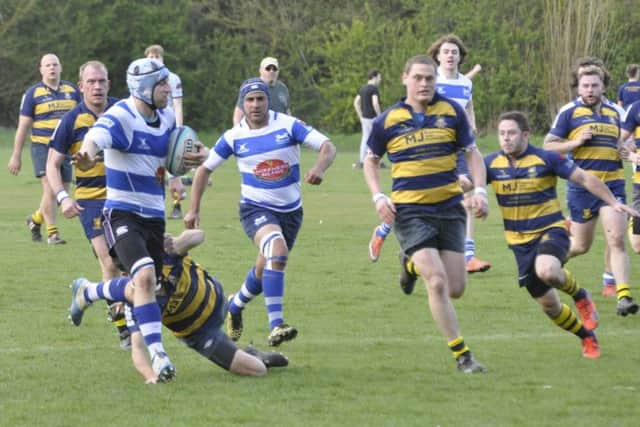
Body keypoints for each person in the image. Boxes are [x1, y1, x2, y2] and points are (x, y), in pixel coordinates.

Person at [74, 57, 208, 383]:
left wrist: (201, 156)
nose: (168, 89)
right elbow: (96, 137)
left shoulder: (166, 119)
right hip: (121, 213)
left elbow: (187, 152)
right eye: (162, 84)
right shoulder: (121, 116)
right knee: (146, 276)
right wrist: (87, 153)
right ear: (145, 88)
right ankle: (160, 356)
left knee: (139, 287)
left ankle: (88, 292)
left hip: (153, 218)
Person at [186, 78, 336, 347]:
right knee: (277, 253)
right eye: (249, 100)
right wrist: (193, 209)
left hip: (291, 212)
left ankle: (235, 305)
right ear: (242, 104)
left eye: (260, 99)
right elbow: (204, 169)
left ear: (269, 100)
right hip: (254, 209)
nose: (255, 105)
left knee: (264, 267)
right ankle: (276, 324)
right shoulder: (234, 136)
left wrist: (320, 168)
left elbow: (328, 146)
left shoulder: (289, 125)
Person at [363, 54, 487, 373]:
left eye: (429, 78)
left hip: (449, 208)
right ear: (405, 78)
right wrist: (378, 196)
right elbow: (371, 160)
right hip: (410, 211)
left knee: (456, 287)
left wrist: (480, 191)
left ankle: (409, 264)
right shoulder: (387, 120)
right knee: (437, 281)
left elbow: (473, 155)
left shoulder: (451, 112)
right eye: (418, 77)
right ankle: (462, 355)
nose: (424, 84)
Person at [487, 112, 640, 358]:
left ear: (526, 134)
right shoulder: (491, 164)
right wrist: (470, 194)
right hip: (518, 243)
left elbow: (585, 178)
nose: (506, 138)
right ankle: (586, 336)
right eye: (502, 133)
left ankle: (581, 296)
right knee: (550, 306)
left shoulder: (546, 158)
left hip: (551, 230)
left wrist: (613, 201)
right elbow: (467, 182)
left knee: (547, 270)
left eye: (512, 133)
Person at [68, 229, 288, 384]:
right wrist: (150, 377)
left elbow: (199, 235)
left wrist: (178, 241)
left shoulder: (163, 253)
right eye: (125, 271)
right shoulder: (134, 299)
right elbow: (137, 348)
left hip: (216, 298)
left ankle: (88, 292)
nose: (129, 274)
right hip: (200, 334)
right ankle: (252, 354)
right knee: (257, 372)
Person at [368, 35, 490, 274]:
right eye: (446, 51)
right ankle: (388, 227)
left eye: (455, 52)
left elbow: (467, 106)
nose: (451, 55)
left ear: (460, 56)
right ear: (437, 56)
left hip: (456, 145)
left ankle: (467, 253)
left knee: (469, 188)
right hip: (431, 145)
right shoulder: (433, 80)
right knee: (461, 188)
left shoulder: (466, 83)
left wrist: (471, 124)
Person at [46, 60, 130, 349]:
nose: (97, 87)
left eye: (102, 81)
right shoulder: (71, 120)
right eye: (91, 82)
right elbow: (52, 164)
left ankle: (89, 293)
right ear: (80, 86)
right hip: (91, 202)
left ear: (109, 83)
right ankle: (123, 330)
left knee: (131, 264)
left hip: (126, 198)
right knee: (109, 261)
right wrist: (63, 198)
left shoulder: (124, 110)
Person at [544, 65, 639, 316]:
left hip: (614, 184)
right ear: (579, 86)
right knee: (580, 245)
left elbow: (625, 142)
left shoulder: (615, 111)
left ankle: (624, 296)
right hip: (582, 187)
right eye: (585, 85)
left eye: (594, 85)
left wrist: (627, 151)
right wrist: (575, 142)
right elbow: (548, 146)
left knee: (617, 238)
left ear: (603, 86)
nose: (590, 90)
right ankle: (549, 263)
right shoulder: (569, 112)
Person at [7, 53, 81, 244]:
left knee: (61, 193)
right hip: (42, 146)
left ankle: (35, 219)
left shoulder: (72, 90)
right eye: (47, 65)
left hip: (65, 149)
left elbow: (81, 118)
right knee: (50, 188)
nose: (51, 68)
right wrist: (16, 155)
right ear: (41, 69)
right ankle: (53, 233)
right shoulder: (32, 93)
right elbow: (23, 126)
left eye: (55, 64)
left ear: (61, 67)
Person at [145, 44, 186, 219]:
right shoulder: (144, 80)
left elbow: (177, 105)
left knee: (173, 169)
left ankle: (177, 206)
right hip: (151, 129)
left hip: (168, 128)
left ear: (163, 59)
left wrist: (178, 129)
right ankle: (153, 205)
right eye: (150, 57)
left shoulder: (173, 78)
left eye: (157, 57)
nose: (154, 60)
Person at [232, 57, 291, 125]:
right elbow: (238, 114)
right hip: (257, 130)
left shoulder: (282, 88)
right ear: (261, 70)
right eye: (268, 69)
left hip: (279, 131)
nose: (271, 71)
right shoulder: (251, 87)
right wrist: (238, 131)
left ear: (278, 71)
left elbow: (287, 111)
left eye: (274, 69)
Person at [353, 69, 382, 169]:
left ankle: (362, 161)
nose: (380, 79)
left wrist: (360, 116)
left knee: (365, 138)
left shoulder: (363, 88)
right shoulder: (373, 89)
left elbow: (356, 102)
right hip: (373, 118)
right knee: (376, 139)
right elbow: (375, 103)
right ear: (374, 77)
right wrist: (380, 116)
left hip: (365, 118)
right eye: (379, 77)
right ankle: (375, 160)